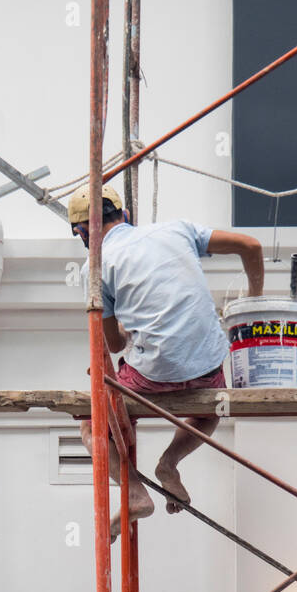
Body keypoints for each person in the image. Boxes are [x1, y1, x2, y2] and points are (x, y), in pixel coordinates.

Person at [68, 185, 263, 536]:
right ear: (125, 215)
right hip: (209, 369)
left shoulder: (94, 267)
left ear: (83, 234)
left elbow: (112, 346)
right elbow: (250, 246)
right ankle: (169, 463)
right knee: (210, 410)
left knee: (92, 423)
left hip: (153, 377)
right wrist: (254, 302)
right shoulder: (178, 229)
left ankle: (135, 494)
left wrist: (129, 332)